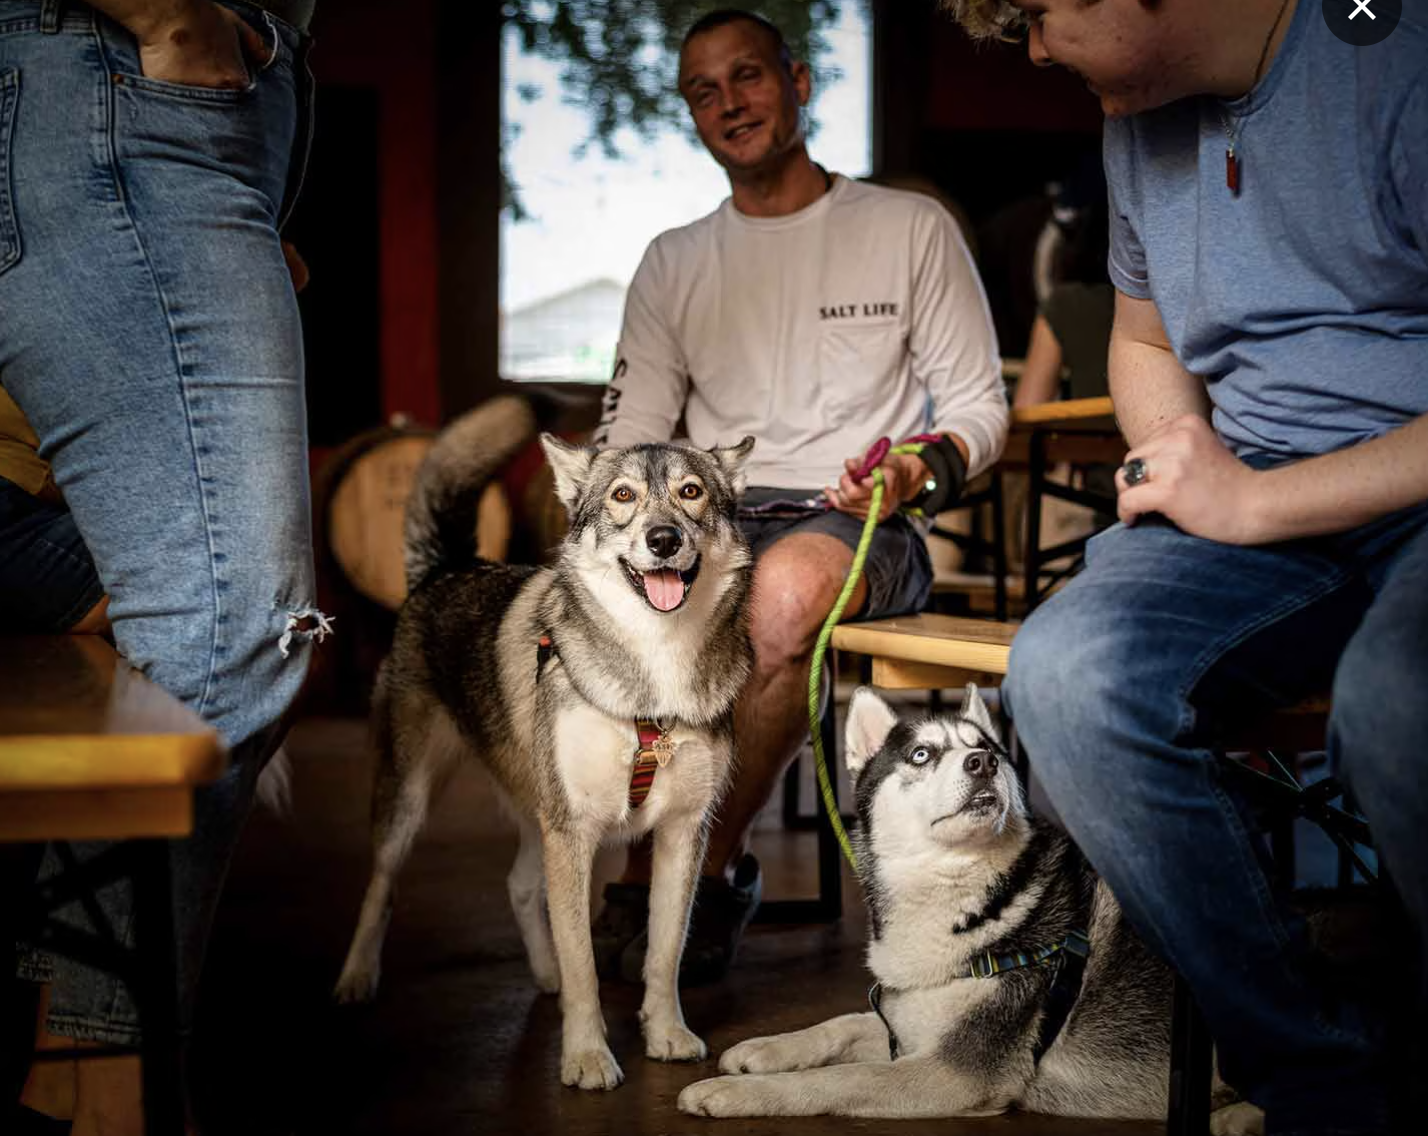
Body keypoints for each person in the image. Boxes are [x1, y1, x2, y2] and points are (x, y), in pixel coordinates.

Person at [945, 2, 1428, 1134]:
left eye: (1037, 18)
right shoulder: (1137, 118)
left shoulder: (1400, 57)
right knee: (1064, 676)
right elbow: (1146, 338)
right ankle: (1318, 1076)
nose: (1035, 55)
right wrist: (1182, 457)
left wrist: (1259, 499)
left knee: (1399, 701)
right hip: (1250, 501)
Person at [594, 9, 1008, 984]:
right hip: (717, 517)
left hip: (865, 520)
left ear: (799, 81)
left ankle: (686, 862)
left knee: (781, 595)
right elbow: (629, 439)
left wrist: (914, 465)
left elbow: (981, 407)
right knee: (628, 598)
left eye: (748, 76)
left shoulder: (908, 227)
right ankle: (666, 860)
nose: (730, 102)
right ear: (691, 115)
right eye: (704, 90)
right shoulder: (673, 259)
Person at [0, 2, 320, 1132]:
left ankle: (79, 1058)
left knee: (201, 619)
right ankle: (98, 1081)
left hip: (150, 104)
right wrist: (174, 20)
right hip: (131, 86)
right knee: (232, 628)